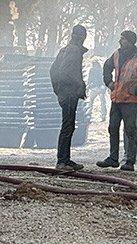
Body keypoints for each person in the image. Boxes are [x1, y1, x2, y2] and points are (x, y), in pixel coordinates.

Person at [96, 30, 137, 172]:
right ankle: (113, 158)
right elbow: (106, 67)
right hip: (116, 99)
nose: (120, 41)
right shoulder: (116, 54)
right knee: (113, 128)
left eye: (122, 39)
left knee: (130, 130)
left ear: (130, 41)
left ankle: (130, 161)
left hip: (130, 101)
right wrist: (108, 82)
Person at [49, 24, 88, 171]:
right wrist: (80, 85)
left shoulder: (64, 50)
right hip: (70, 93)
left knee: (68, 125)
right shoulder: (74, 50)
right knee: (67, 126)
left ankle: (65, 159)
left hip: (65, 93)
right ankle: (62, 161)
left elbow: (52, 70)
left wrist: (57, 90)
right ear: (82, 37)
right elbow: (67, 71)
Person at [88, 57, 108, 121]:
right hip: (101, 87)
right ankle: (103, 116)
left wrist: (88, 86)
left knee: (90, 101)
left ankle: (89, 115)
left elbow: (89, 79)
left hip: (94, 88)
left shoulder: (92, 70)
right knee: (102, 102)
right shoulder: (101, 69)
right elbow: (103, 78)